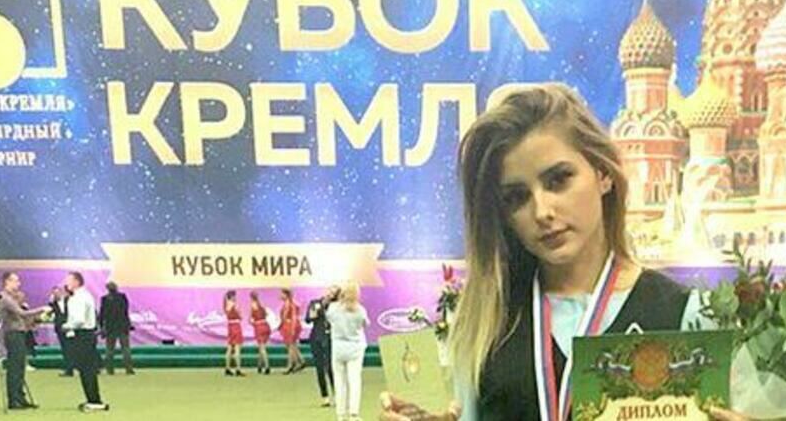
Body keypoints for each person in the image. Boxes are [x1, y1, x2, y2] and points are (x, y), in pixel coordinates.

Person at [380, 84, 750, 421]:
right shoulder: (486, 322)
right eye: (517, 197)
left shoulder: (684, 314)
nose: (542, 211)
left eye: (558, 180)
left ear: (603, 173)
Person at [0, 272, 50, 410]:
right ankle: (14, 399)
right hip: (12, 334)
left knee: (20, 366)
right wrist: (41, 309)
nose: (18, 283)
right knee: (14, 367)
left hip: (18, 333)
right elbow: (21, 313)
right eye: (15, 281)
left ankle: (20, 397)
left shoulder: (12, 298)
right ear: (7, 282)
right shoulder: (5, 298)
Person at [62, 272, 109, 412]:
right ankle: (92, 399)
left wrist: (67, 326)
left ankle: (94, 400)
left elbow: (79, 320)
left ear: (77, 282)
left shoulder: (79, 297)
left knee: (86, 369)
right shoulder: (83, 296)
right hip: (86, 335)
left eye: (69, 280)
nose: (66, 283)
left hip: (83, 335)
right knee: (86, 369)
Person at [330, 282, 368, 421]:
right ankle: (354, 414)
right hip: (355, 347)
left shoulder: (333, 308)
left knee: (339, 381)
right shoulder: (360, 310)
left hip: (338, 348)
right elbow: (365, 324)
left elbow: (329, 319)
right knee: (354, 380)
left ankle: (340, 414)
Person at [305, 286, 340, 406]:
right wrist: (316, 312)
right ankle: (324, 396)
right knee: (319, 369)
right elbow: (308, 319)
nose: (330, 294)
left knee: (330, 367)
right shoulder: (315, 303)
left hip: (330, 338)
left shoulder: (337, 307)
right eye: (330, 291)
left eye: (333, 293)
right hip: (316, 338)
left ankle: (337, 395)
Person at [99, 282, 135, 376]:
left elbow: (102, 315)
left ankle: (110, 369)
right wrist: (128, 324)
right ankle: (129, 369)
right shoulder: (122, 297)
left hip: (110, 327)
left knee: (109, 349)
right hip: (122, 326)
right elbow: (125, 311)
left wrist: (101, 326)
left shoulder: (105, 299)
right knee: (125, 349)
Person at [49, 286, 74, 377]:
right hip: (60, 329)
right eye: (54, 293)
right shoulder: (53, 304)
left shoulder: (69, 300)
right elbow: (49, 313)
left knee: (74, 348)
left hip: (71, 327)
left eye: (58, 292)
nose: (56, 295)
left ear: (61, 292)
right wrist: (51, 303)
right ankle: (69, 369)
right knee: (65, 349)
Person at [279, 288, 304, 374]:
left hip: (290, 325)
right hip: (288, 325)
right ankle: (300, 361)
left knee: (290, 346)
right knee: (293, 345)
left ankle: (290, 365)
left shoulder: (290, 304)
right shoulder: (289, 304)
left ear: (286, 295)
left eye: (282, 294)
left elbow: (292, 316)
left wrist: (292, 328)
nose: (280, 296)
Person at [223, 291, 245, 376]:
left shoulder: (226, 305)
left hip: (230, 326)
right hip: (236, 326)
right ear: (231, 296)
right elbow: (240, 316)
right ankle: (238, 369)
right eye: (234, 296)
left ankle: (227, 368)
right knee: (237, 348)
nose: (235, 297)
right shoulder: (234, 305)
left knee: (229, 348)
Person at [249, 291, 271, 374]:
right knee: (261, 348)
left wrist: (253, 323)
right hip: (266, 325)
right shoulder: (261, 306)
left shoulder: (253, 305)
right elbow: (266, 314)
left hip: (259, 327)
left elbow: (250, 319)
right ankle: (259, 366)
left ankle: (267, 366)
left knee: (262, 348)